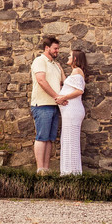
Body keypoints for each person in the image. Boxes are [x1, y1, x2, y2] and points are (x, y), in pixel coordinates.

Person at [30, 35, 66, 173]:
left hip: (54, 106)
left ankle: (46, 169)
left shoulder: (55, 65)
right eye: (55, 48)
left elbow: (63, 82)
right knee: (42, 137)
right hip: (42, 105)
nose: (57, 51)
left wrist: (60, 68)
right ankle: (40, 170)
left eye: (58, 48)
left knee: (50, 139)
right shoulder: (40, 61)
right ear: (47, 48)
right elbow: (41, 80)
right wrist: (56, 96)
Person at [57, 49, 87, 176]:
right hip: (69, 112)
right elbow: (67, 84)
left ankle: (71, 172)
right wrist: (61, 71)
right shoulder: (74, 73)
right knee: (68, 140)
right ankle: (68, 171)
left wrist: (63, 98)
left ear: (75, 58)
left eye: (70, 55)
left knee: (70, 141)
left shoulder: (77, 71)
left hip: (73, 111)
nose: (68, 57)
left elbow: (79, 91)